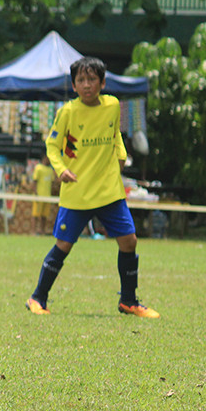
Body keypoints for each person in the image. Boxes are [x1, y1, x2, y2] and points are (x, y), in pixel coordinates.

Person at [26, 56, 159, 318]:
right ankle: (37, 298)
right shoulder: (68, 112)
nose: (87, 85)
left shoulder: (112, 106)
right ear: (74, 86)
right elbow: (52, 146)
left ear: (103, 82)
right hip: (77, 192)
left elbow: (115, 136)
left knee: (129, 241)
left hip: (109, 191)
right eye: (81, 80)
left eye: (92, 79)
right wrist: (61, 169)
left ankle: (129, 301)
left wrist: (121, 156)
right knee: (63, 245)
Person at [31, 155, 55, 235]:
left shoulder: (50, 170)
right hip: (39, 196)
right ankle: (33, 231)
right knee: (35, 215)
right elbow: (34, 181)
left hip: (47, 196)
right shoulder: (38, 168)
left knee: (44, 215)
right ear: (45, 158)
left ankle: (42, 231)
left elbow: (52, 182)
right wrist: (35, 193)